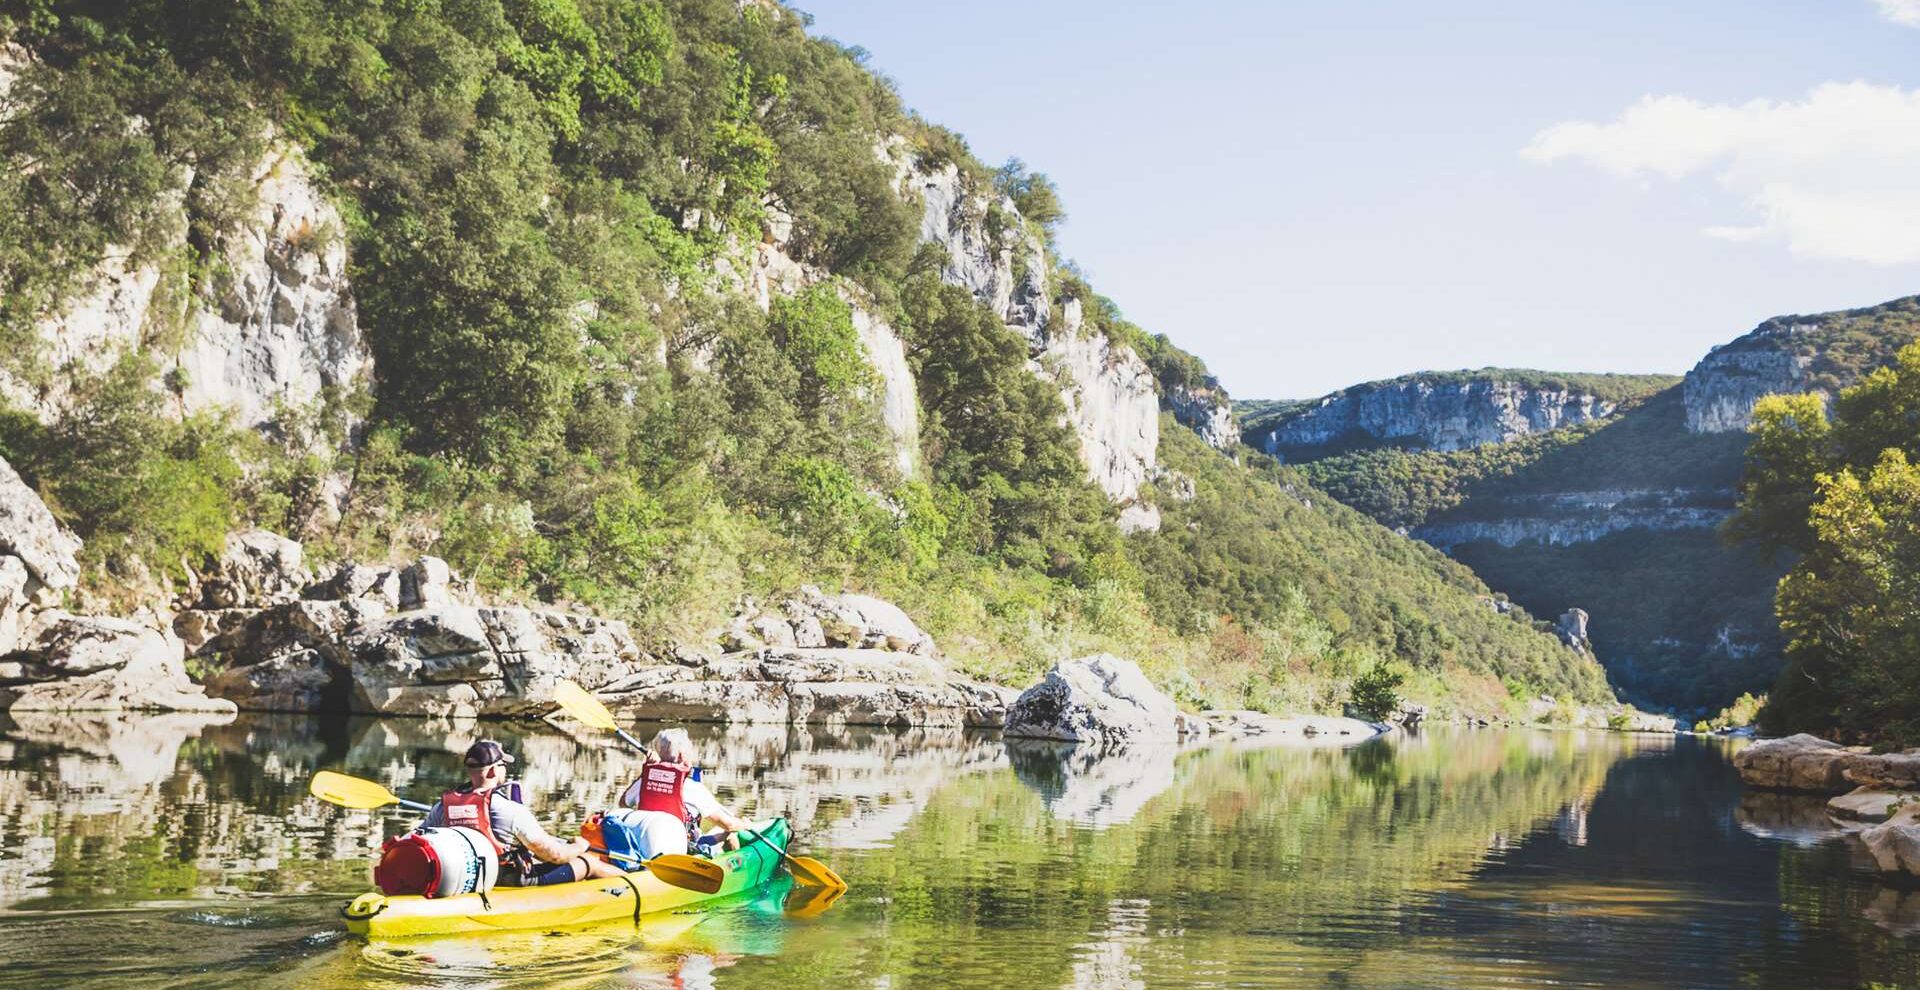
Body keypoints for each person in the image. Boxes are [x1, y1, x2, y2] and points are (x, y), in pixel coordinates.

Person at [419, 739, 622, 886]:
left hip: (468, 876)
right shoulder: (509, 810)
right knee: (590, 862)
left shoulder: (443, 807)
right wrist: (579, 847)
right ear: (492, 771)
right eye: (503, 765)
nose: (505, 769)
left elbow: (419, 837)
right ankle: (639, 885)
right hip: (511, 880)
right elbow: (555, 855)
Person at [617, 728, 753, 859]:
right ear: (682, 755)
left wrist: (646, 774)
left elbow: (623, 803)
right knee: (730, 833)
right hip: (685, 851)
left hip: (644, 848)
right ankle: (739, 869)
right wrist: (746, 824)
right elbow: (728, 824)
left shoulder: (643, 782)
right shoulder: (693, 788)